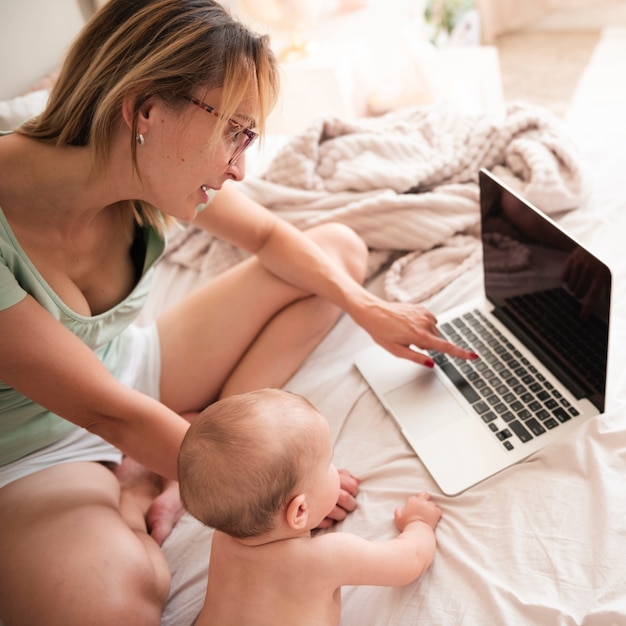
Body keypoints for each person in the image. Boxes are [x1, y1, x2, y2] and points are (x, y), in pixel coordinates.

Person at [0, 0, 474, 624]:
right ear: (144, 109)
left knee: (336, 253)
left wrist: (368, 309)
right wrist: (261, 485)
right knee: (117, 605)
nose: (240, 166)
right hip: (34, 445)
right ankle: (142, 479)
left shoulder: (130, 157)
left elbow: (275, 240)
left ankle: (172, 457)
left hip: (126, 370)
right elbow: (105, 411)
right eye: (235, 132)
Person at [178, 388, 442, 626]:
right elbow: (410, 560)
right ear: (299, 512)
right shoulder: (328, 557)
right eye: (328, 464)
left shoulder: (225, 535)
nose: (335, 469)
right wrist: (418, 522)